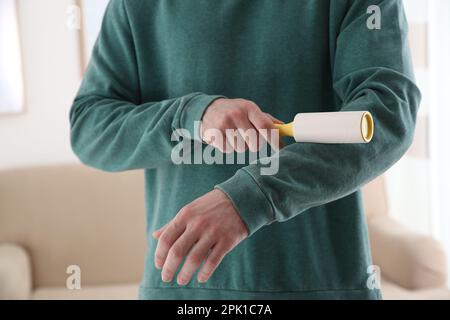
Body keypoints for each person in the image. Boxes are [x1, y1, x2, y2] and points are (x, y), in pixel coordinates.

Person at [70, 0, 420, 300]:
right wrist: (191, 116)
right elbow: (89, 128)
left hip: (321, 285)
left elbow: (386, 114)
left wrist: (250, 198)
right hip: (184, 290)